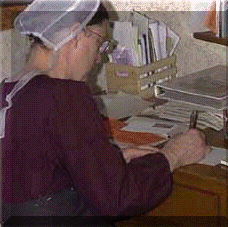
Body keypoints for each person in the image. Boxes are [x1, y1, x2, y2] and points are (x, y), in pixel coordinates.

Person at [1, 0, 211, 225]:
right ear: (77, 34)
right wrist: (173, 155)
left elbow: (43, 170)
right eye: (100, 43)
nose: (98, 57)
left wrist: (110, 160)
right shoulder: (63, 96)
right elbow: (118, 198)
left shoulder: (9, 91)